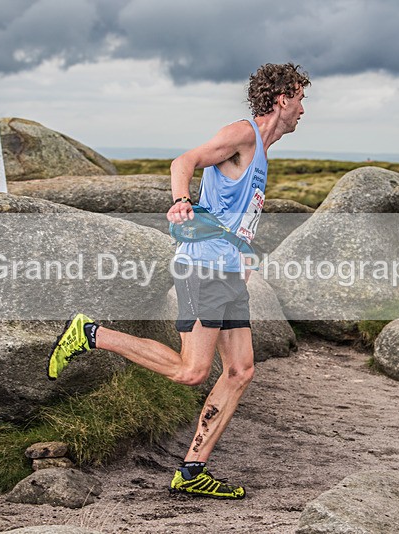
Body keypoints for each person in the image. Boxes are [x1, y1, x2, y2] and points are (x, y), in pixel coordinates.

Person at [47, 62, 310, 499]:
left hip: (227, 269)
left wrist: (243, 252)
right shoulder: (243, 134)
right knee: (192, 371)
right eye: (300, 99)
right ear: (283, 99)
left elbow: (234, 215)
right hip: (203, 266)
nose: (303, 109)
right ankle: (90, 334)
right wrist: (181, 200)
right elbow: (183, 161)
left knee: (241, 370)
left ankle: (192, 471)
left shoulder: (262, 151)